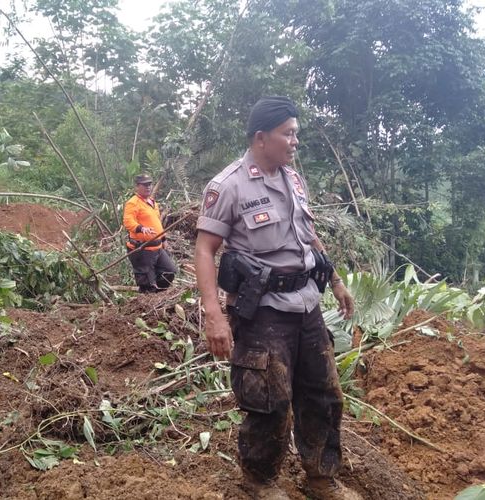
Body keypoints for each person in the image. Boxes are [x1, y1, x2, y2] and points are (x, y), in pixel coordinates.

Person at [194, 97, 359, 500]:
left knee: (323, 394)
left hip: (306, 304)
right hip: (263, 312)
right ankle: (261, 481)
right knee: (268, 401)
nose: (294, 142)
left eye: (296, 134)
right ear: (261, 138)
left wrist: (335, 279)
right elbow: (204, 249)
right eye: (288, 134)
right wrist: (213, 314)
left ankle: (321, 478)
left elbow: (308, 236)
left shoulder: (294, 179)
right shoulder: (228, 185)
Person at [123, 174, 176, 293]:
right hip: (142, 249)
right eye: (145, 185)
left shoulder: (152, 202)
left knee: (169, 272)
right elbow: (128, 221)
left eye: (150, 184)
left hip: (157, 247)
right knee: (147, 283)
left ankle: (156, 294)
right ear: (137, 186)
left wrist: (163, 239)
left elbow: (157, 223)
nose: (148, 187)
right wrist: (141, 228)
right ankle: (148, 301)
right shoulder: (133, 203)